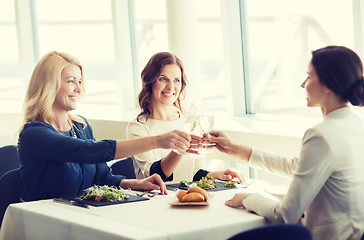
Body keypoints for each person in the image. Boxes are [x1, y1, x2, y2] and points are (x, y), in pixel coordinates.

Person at [206, 46, 364, 240]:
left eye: (309, 76)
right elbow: (297, 166)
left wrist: (249, 199)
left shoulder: (322, 135)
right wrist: (234, 148)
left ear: (328, 85)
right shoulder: (356, 126)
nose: (302, 84)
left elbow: (286, 215)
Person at [17, 51, 194, 202]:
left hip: (78, 216)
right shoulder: (33, 134)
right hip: (43, 221)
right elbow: (87, 151)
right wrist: (158, 141)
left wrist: (136, 184)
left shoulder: (81, 127)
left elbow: (102, 176)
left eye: (80, 81)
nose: (79, 88)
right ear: (49, 85)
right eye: (71, 81)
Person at [127, 52, 244, 183]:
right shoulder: (138, 128)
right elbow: (154, 176)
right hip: (155, 199)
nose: (171, 87)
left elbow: (194, 173)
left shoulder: (188, 122)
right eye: (163, 79)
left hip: (184, 199)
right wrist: (180, 149)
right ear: (150, 81)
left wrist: (219, 174)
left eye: (176, 80)